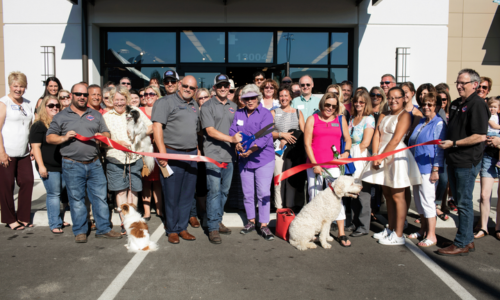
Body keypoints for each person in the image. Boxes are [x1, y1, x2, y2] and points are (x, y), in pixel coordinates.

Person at [46, 83, 122, 243]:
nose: (82, 97)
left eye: (84, 95)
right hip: (72, 164)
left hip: (94, 163)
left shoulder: (95, 114)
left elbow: (107, 132)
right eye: (78, 94)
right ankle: (80, 231)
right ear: (72, 95)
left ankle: (104, 229)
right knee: (77, 199)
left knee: (100, 197)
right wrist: (63, 138)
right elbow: (49, 137)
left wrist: (102, 135)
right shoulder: (61, 116)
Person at [438, 68, 489, 256]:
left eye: (463, 83)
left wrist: (455, 143)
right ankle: (467, 239)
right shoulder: (457, 103)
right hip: (453, 159)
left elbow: (480, 136)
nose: (458, 86)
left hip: (467, 161)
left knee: (464, 203)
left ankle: (461, 242)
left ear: (474, 84)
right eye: (457, 82)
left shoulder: (478, 105)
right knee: (460, 201)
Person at [362, 87, 422, 246]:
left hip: (396, 156)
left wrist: (381, 156)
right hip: (381, 155)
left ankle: (399, 234)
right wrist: (376, 154)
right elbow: (377, 134)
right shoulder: (384, 114)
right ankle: (391, 228)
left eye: (397, 97)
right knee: (387, 194)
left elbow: (396, 140)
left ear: (404, 98)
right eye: (390, 97)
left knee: (398, 195)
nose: (393, 100)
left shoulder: (405, 116)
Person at [152, 75, 200, 244]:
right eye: (185, 85)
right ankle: (172, 229)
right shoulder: (165, 102)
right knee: (171, 194)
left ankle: (182, 228)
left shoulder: (194, 104)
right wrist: (162, 152)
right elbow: (157, 126)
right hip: (172, 154)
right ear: (180, 85)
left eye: (192, 88)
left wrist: (198, 150)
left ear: (195, 90)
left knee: (187, 194)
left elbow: (195, 130)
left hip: (191, 155)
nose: (188, 89)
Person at [304, 92, 352, 247]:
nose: (330, 108)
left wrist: (346, 152)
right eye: (327, 105)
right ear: (322, 104)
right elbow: (307, 144)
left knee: (337, 200)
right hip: (315, 167)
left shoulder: (340, 119)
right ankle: (315, 232)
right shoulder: (312, 119)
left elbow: (347, 138)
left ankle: (341, 233)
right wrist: (315, 164)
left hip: (334, 166)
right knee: (315, 199)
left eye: (333, 106)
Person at [103, 86, 152, 234]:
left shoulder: (135, 112)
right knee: (120, 192)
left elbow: (151, 127)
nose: (119, 103)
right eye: (116, 100)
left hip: (135, 157)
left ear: (127, 100)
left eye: (122, 100)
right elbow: (103, 137)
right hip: (115, 158)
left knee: (134, 191)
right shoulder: (106, 116)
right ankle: (125, 222)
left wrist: (139, 133)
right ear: (112, 100)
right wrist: (117, 142)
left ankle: (132, 220)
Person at [229, 84, 275, 241]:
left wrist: (250, 150)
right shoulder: (239, 113)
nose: (250, 101)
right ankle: (251, 221)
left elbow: (265, 136)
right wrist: (237, 143)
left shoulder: (266, 114)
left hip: (263, 159)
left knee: (263, 193)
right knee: (248, 193)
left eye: (253, 98)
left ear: (258, 98)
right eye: (246, 98)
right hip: (244, 160)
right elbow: (233, 131)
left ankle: (263, 224)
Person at [200, 74, 241, 244]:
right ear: (215, 87)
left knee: (224, 192)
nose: (223, 88)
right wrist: (231, 140)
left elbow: (239, 128)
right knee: (214, 192)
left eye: (226, 85)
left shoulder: (234, 106)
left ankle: (216, 219)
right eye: (220, 85)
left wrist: (239, 142)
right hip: (213, 155)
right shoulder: (207, 106)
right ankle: (213, 228)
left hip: (229, 156)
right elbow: (209, 131)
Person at [408, 92, 447, 247]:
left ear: (436, 106)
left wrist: (435, 169)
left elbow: (440, 149)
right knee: (418, 200)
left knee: (428, 201)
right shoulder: (421, 121)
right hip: (416, 166)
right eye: (424, 104)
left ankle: (432, 235)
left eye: (430, 104)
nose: (426, 107)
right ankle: (422, 230)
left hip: (428, 168)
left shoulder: (439, 123)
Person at [0, 71, 35, 230]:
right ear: (10, 86)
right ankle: (9, 219)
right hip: (7, 152)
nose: (18, 89)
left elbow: (29, 128)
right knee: (6, 186)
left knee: (27, 181)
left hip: (24, 152)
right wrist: (1, 152)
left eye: (21, 86)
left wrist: (32, 147)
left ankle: (23, 216)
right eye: (15, 86)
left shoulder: (27, 103)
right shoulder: (3, 103)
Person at [30, 95, 69, 233]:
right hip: (48, 165)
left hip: (62, 165)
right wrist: (41, 166)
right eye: (51, 106)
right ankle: (55, 223)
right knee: (54, 194)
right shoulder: (39, 125)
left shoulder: (60, 123)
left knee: (60, 191)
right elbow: (35, 147)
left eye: (57, 105)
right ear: (44, 108)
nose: (55, 108)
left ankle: (57, 218)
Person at [347, 90, 375, 237]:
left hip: (361, 158)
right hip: (351, 157)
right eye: (356, 101)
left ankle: (363, 226)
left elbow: (365, 143)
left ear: (366, 104)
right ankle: (353, 222)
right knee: (352, 192)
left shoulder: (369, 119)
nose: (358, 104)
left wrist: (352, 154)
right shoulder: (352, 118)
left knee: (363, 193)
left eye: (362, 102)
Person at [272, 87, 305, 209]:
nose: (283, 98)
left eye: (286, 95)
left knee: (291, 179)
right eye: (281, 96)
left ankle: (289, 207)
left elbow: (303, 132)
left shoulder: (297, 112)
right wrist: (281, 135)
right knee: (278, 180)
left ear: (291, 97)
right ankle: (279, 208)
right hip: (278, 150)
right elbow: (268, 133)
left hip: (293, 151)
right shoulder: (274, 112)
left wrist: (288, 137)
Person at [474, 97, 500, 239]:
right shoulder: (486, 118)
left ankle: (498, 227)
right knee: (484, 194)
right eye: (490, 106)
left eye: (495, 107)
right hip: (488, 157)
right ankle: (483, 227)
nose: (493, 109)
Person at [139, 86, 163, 221]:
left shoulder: (161, 110)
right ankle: (147, 212)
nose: (148, 96)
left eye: (151, 94)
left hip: (158, 148)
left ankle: (160, 210)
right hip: (144, 150)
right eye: (146, 94)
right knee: (146, 181)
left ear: (157, 96)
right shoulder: (139, 110)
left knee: (158, 181)